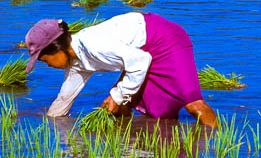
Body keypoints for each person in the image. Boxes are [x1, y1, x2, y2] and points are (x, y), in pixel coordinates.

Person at [25, 12, 218, 127]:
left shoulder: (93, 45)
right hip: (141, 51)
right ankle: (143, 145)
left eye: (44, 59)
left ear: (56, 48)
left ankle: (215, 150)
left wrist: (117, 95)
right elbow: (65, 97)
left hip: (165, 39)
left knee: (192, 103)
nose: (47, 65)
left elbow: (141, 60)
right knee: (147, 111)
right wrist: (51, 121)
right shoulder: (76, 62)